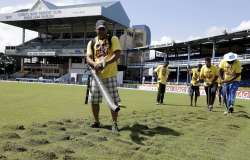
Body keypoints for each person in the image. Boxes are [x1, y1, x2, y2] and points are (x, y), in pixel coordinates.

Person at [86, 20, 121, 134]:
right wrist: (94, 64)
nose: (101, 30)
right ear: (96, 29)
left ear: (107, 29)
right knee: (94, 100)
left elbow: (117, 54)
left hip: (110, 74)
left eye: (103, 28)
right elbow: (88, 58)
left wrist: (105, 62)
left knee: (113, 101)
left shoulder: (113, 39)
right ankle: (96, 122)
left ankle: (114, 123)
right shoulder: (91, 42)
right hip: (97, 76)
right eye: (99, 29)